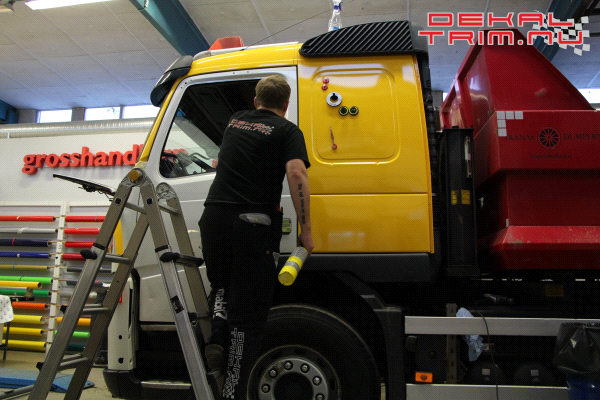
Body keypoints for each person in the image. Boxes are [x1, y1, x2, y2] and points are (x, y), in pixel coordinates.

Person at [199, 75, 313, 400]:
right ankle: (232, 392)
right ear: (286, 104)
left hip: (214, 217)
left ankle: (217, 335)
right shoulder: (288, 131)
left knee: (221, 283)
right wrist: (306, 230)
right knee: (248, 317)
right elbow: (296, 172)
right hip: (253, 224)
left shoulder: (235, 120)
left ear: (255, 101)